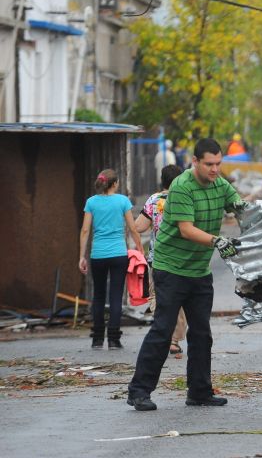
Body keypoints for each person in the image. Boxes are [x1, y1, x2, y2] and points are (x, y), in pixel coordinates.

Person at [126, 138, 249, 412]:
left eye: (218, 163)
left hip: (199, 271)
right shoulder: (182, 186)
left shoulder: (220, 184)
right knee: (163, 329)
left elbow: (239, 208)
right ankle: (139, 391)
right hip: (171, 269)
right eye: (209, 164)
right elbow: (186, 229)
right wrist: (218, 241)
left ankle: (199, 391)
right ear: (195, 162)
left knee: (202, 333)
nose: (215, 169)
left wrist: (256, 217)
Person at [78, 169, 144, 349]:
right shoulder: (123, 201)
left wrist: (81, 257)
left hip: (98, 254)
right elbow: (132, 228)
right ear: (114, 184)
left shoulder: (91, 202)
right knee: (116, 296)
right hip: (118, 254)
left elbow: (85, 231)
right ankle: (114, 339)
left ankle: (97, 339)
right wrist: (139, 248)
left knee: (98, 296)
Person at [134, 164, 187, 356]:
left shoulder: (153, 200)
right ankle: (173, 340)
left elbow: (139, 227)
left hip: (158, 259)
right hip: (182, 258)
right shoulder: (186, 199)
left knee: (157, 296)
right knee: (180, 299)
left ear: (161, 181)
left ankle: (163, 335)